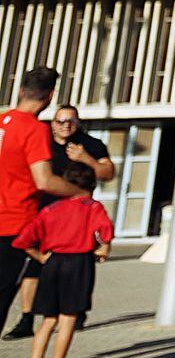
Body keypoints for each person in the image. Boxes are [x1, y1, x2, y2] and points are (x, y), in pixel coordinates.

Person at [6, 111, 113, 341]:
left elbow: (108, 172)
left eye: (70, 121)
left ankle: (75, 311)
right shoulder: (41, 141)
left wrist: (87, 160)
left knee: (77, 266)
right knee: (33, 268)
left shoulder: (90, 145)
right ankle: (26, 318)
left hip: (77, 219)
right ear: (52, 124)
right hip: (43, 213)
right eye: (60, 121)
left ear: (78, 123)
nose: (65, 125)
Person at [11, 161, 112, 358]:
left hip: (52, 262)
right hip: (78, 263)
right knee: (68, 319)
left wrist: (41, 256)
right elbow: (105, 231)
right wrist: (103, 248)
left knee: (47, 320)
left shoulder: (51, 209)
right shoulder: (92, 207)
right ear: (92, 185)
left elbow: (24, 239)